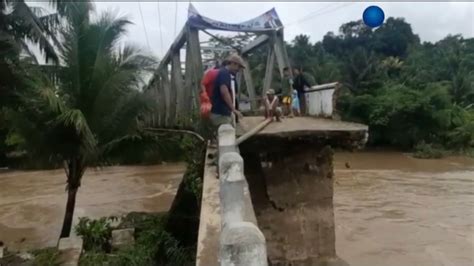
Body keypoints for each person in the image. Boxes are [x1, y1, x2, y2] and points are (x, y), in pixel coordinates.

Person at [210, 54, 244, 134]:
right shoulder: (224, 73)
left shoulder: (230, 75)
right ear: (233, 63)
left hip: (225, 112)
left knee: (229, 136)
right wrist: (233, 109)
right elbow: (224, 92)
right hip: (220, 113)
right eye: (239, 67)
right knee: (227, 136)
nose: (239, 70)